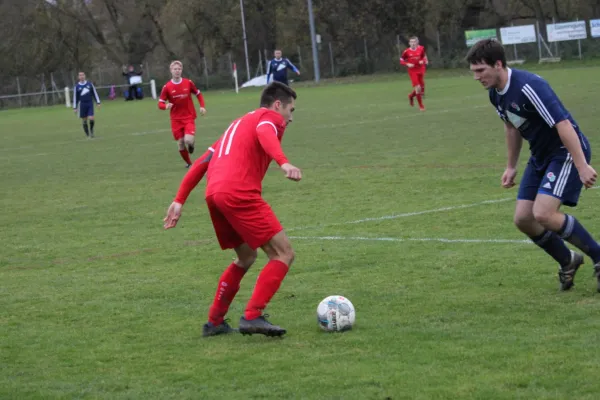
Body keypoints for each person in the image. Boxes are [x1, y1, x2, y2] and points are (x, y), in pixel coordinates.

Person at [163, 82, 302, 337]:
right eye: (290, 110)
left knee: (246, 256)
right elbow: (265, 132)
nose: (290, 118)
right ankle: (252, 316)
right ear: (277, 104)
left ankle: (214, 322)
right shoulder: (268, 118)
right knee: (284, 253)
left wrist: (179, 200)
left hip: (215, 195)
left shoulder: (236, 125)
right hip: (239, 193)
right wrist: (283, 163)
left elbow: (202, 162)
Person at [466, 39, 600, 291]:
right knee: (524, 219)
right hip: (540, 156)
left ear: (498, 64)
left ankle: (599, 256)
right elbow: (510, 127)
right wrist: (511, 166)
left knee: (544, 214)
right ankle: (568, 260)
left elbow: (563, 125)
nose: (476, 77)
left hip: (565, 152)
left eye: (480, 70)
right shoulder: (495, 94)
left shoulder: (529, 87)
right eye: (474, 72)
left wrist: (581, 165)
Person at [158, 61, 207, 168]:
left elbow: (198, 94)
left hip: (189, 116)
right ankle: (189, 163)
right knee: (180, 143)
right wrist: (165, 106)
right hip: (176, 119)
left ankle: (191, 144)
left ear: (181, 70)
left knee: (188, 140)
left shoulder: (188, 83)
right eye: (175, 69)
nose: (177, 71)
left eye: (179, 69)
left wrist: (202, 106)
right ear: (171, 71)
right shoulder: (167, 87)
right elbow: (160, 103)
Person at [400, 36, 428, 111]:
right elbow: (401, 60)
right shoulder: (406, 52)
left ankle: (411, 96)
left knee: (421, 86)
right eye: (411, 42)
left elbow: (423, 57)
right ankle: (421, 106)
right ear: (409, 43)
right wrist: (407, 64)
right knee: (418, 88)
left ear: (417, 43)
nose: (413, 43)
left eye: (414, 42)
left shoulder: (421, 49)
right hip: (412, 71)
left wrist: (423, 61)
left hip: (421, 69)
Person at [72, 72, 101, 138]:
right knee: (84, 120)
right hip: (82, 104)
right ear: (78, 77)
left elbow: (95, 93)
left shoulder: (90, 84)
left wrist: (98, 102)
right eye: (80, 75)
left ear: (85, 76)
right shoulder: (77, 87)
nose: (81, 76)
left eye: (83, 75)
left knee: (91, 118)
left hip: (89, 103)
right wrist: (75, 107)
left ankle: (91, 131)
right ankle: (87, 133)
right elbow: (75, 98)